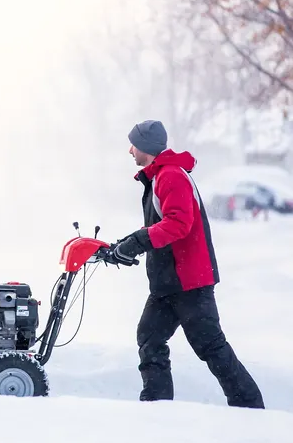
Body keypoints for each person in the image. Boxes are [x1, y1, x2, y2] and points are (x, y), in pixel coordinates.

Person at [107, 119, 265, 409]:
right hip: (169, 282)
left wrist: (138, 242)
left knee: (211, 346)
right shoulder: (159, 176)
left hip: (189, 281)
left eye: (134, 144)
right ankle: (157, 407)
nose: (130, 150)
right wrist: (125, 245)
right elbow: (160, 225)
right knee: (150, 338)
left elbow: (178, 224)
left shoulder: (170, 176)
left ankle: (250, 407)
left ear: (146, 147)